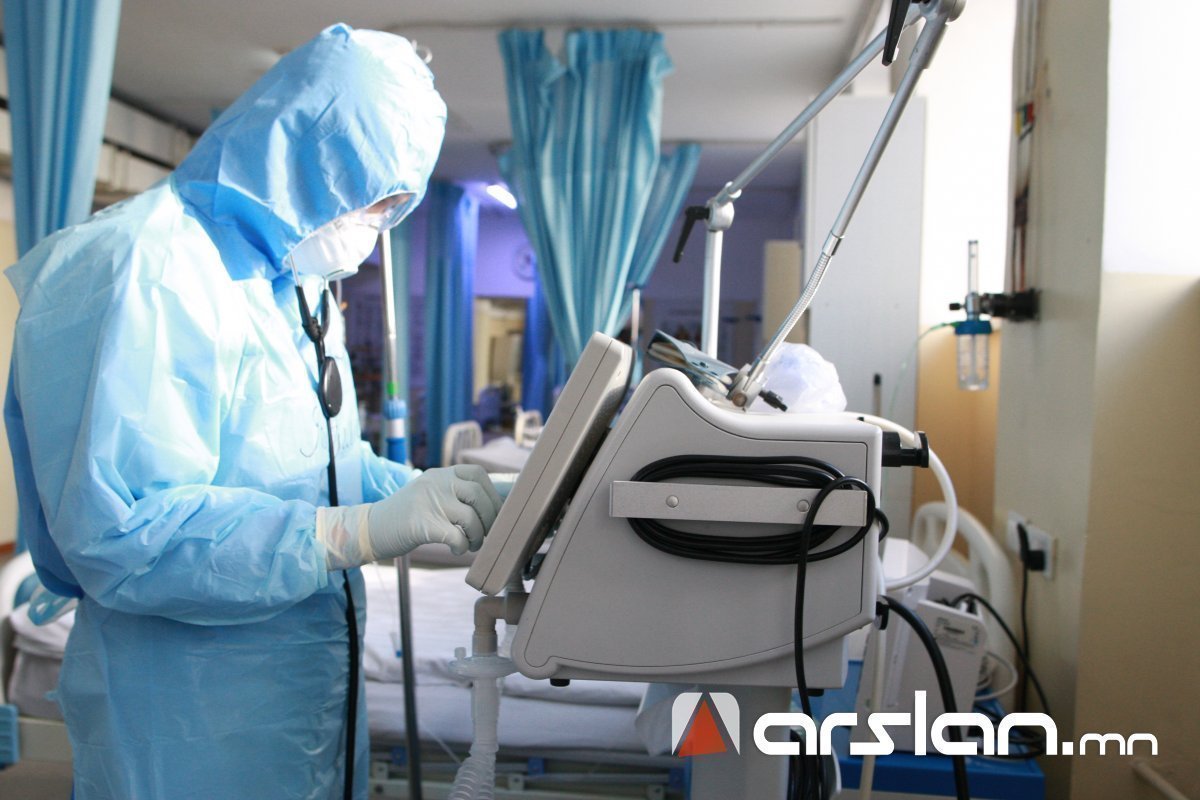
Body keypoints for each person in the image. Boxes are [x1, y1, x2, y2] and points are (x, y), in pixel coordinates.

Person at [3, 24, 501, 799]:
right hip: (191, 714)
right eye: (373, 202)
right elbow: (127, 536)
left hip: (296, 697)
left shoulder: (294, 282)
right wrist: (358, 531)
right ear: (311, 161)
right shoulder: (149, 267)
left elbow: (313, 461)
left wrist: (422, 493)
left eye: (391, 210)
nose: (374, 229)